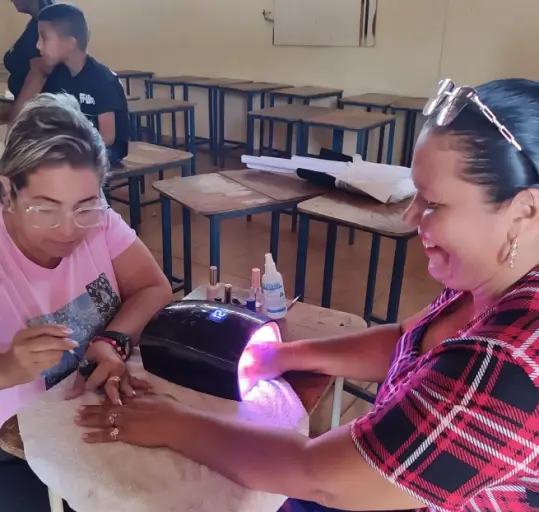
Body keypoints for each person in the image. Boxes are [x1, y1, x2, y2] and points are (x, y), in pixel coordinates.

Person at [76, 77, 539, 512]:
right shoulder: (491, 282)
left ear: (525, 209)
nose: (410, 217)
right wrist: (288, 356)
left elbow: (316, 474)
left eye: (434, 203)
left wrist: (171, 425)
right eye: (416, 195)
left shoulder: (507, 366)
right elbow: (407, 339)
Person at [0, 92, 172, 511]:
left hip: (98, 408)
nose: (68, 230)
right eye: (45, 208)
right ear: (7, 192)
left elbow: (153, 288)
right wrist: (8, 368)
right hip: (18, 447)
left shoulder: (100, 222)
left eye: (85, 206)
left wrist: (111, 340)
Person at [37, 3, 130, 165]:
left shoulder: (103, 79)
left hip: (103, 150)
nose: (38, 45)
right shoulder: (57, 76)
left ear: (69, 43)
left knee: (61, 165)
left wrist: (65, 146)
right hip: (71, 144)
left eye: (44, 38)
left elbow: (108, 138)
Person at [3, 0, 56, 120]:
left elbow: (39, 74)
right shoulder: (36, 22)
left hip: (39, 114)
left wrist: (16, 121)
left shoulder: (45, 21)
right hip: (32, 109)